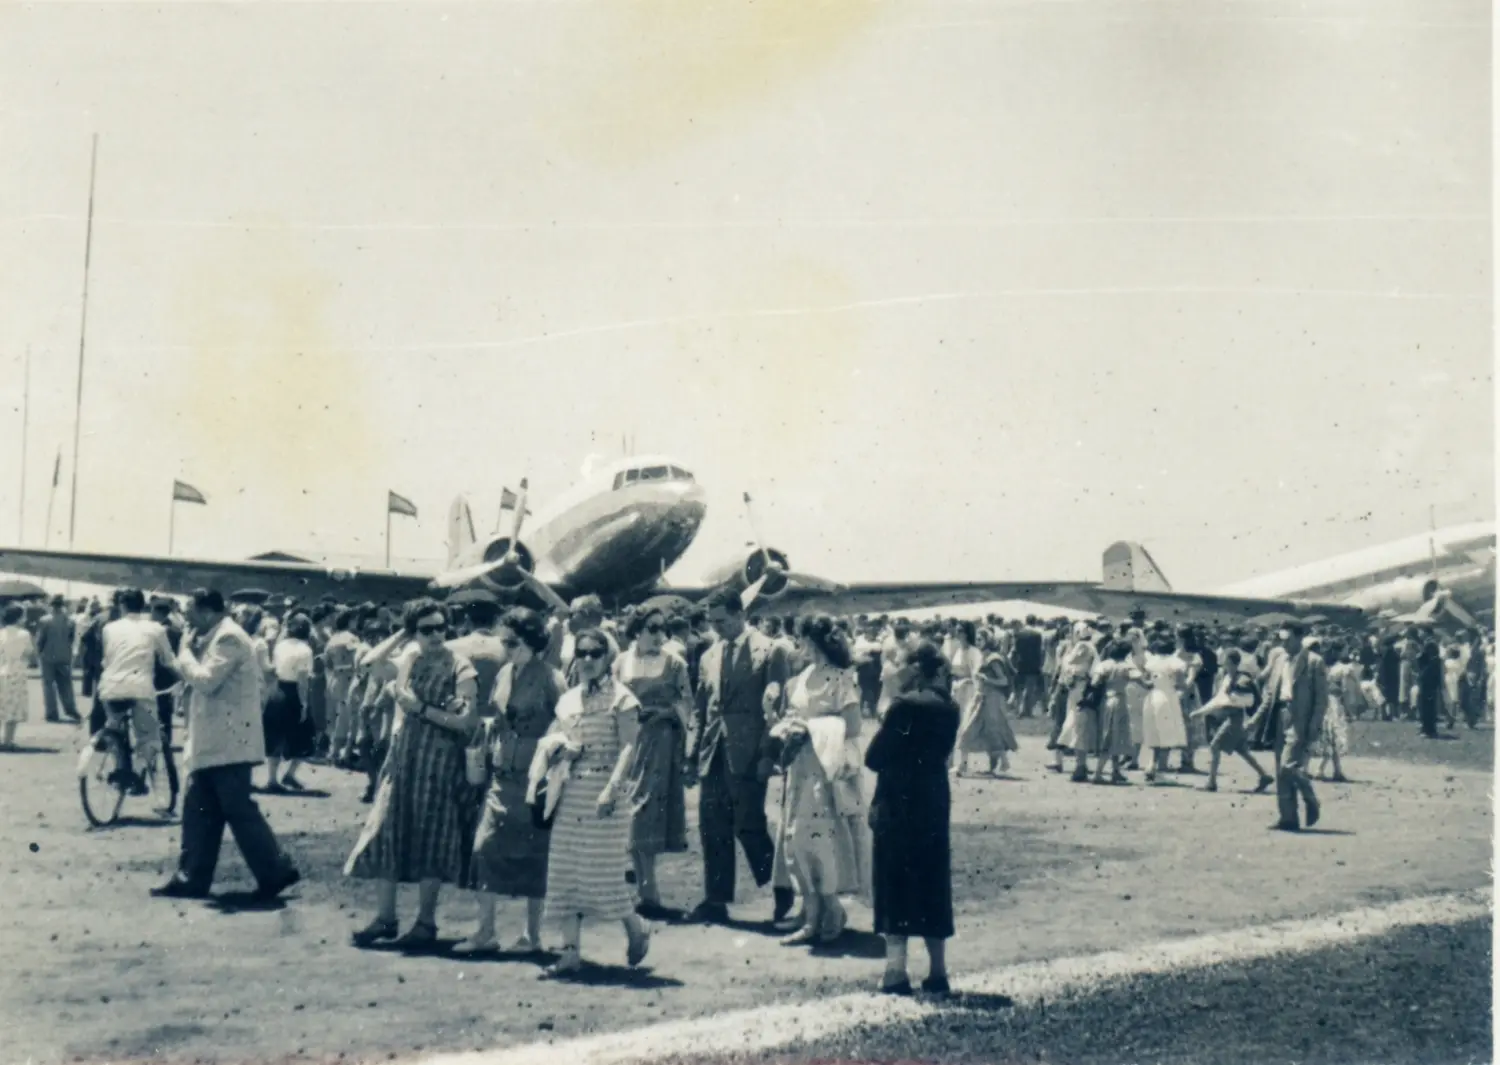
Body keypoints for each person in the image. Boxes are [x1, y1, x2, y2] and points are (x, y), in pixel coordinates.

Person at [345, 599, 479, 948]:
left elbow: (466, 720)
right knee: (385, 830)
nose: (436, 634)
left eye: (440, 627)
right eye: (427, 629)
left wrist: (421, 708)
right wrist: (402, 633)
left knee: (431, 838)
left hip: (439, 762)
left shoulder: (459, 665)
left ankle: (425, 922)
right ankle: (385, 918)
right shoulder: (408, 658)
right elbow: (369, 663)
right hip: (403, 757)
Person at [152, 589, 300, 900]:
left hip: (229, 742)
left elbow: (206, 679)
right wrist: (186, 653)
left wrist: (185, 652)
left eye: (190, 612)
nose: (186, 620)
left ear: (207, 611)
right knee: (199, 810)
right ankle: (192, 877)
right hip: (215, 742)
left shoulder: (229, 638)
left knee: (237, 809)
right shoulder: (215, 636)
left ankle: (275, 871)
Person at [538, 628, 653, 977]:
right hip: (570, 791)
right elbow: (554, 735)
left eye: (595, 654)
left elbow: (629, 748)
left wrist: (611, 790)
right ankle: (571, 952)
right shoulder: (569, 698)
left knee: (600, 873)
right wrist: (559, 745)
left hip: (607, 791)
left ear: (607, 658)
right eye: (582, 652)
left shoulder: (623, 699)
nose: (587, 660)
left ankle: (635, 927)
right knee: (565, 871)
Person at [458, 607, 565, 955]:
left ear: (533, 641)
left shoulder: (551, 678)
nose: (506, 648)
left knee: (536, 856)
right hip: (502, 775)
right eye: (503, 642)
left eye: (513, 642)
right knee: (484, 848)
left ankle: (532, 936)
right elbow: (496, 715)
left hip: (535, 778)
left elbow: (564, 724)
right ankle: (486, 930)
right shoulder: (505, 672)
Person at [686, 587, 793, 925]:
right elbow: (701, 710)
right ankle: (715, 899)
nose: (716, 628)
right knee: (711, 826)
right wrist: (692, 754)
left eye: (721, 621)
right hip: (713, 752)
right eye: (711, 622)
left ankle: (783, 889)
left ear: (739, 614)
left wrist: (768, 755)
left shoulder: (772, 651)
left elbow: (776, 711)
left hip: (749, 755)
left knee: (749, 825)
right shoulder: (708, 656)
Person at [865, 641, 959, 996]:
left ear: (917, 667)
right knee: (933, 881)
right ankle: (937, 971)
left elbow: (875, 757)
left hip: (897, 799)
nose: (896, 669)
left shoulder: (904, 706)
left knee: (893, 883)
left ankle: (895, 971)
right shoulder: (949, 705)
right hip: (933, 798)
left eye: (901, 663)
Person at [771, 614, 869, 944]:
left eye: (803, 639)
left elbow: (853, 727)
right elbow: (792, 716)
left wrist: (809, 729)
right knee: (791, 839)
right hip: (798, 768)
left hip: (824, 771)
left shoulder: (841, 680)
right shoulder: (799, 679)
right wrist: (782, 723)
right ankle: (808, 910)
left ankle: (827, 911)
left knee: (813, 840)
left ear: (814, 641)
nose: (800, 646)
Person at [612, 607, 692, 918]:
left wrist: (667, 713)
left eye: (663, 628)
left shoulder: (675, 663)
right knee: (630, 809)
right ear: (636, 630)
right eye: (653, 628)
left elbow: (687, 702)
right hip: (630, 742)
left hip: (661, 743)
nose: (660, 635)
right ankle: (645, 890)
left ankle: (649, 889)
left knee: (645, 811)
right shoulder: (621, 662)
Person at [1250, 622, 1327, 832]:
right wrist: (1256, 719)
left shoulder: (1314, 662)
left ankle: (1310, 797)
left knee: (1288, 766)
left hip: (1300, 719)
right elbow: (1269, 695)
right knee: (1280, 770)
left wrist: (1314, 724)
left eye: (1288, 639)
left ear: (1300, 637)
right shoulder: (1279, 660)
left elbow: (1321, 699)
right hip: (1279, 716)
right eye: (1282, 639)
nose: (1284, 643)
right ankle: (1288, 818)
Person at [97, 588, 175, 796]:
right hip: (140, 687)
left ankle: (121, 768)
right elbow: (169, 660)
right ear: (144, 606)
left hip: (110, 686)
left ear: (121, 606)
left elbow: (107, 658)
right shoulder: (155, 628)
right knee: (149, 736)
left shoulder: (109, 628)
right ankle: (139, 775)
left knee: (113, 727)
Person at [263, 614, 316, 793]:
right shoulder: (305, 650)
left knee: (275, 734)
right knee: (304, 733)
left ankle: (272, 778)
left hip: (277, 690)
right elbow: (302, 680)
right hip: (292, 692)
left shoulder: (281, 645)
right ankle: (290, 774)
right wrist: (304, 704)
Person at [955, 629, 1018, 776]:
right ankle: (999, 762)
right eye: (976, 639)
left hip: (991, 698)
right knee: (971, 729)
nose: (978, 642)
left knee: (989, 730)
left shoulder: (993, 659)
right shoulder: (983, 656)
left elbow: (1004, 681)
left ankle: (999, 762)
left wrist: (986, 679)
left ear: (988, 640)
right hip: (980, 696)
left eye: (980, 639)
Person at [149, 597, 185, 815]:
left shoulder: (155, 632)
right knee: (166, 715)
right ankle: (166, 743)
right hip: (168, 680)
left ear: (155, 612)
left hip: (152, 678)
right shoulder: (176, 631)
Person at [34, 595, 80, 724]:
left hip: (48, 657)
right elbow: (71, 639)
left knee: (49, 686)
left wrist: (39, 653)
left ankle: (52, 713)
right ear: (62, 606)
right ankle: (71, 709)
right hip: (64, 656)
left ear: (51, 606)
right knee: (66, 685)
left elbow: (40, 640)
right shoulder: (70, 621)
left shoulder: (44, 620)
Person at [0, 604, 32, 748]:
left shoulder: (1, 633)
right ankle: (8, 740)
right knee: (14, 707)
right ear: (18, 617)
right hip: (17, 672)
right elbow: (28, 653)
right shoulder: (24, 634)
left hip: (2, 670)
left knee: (1, 706)